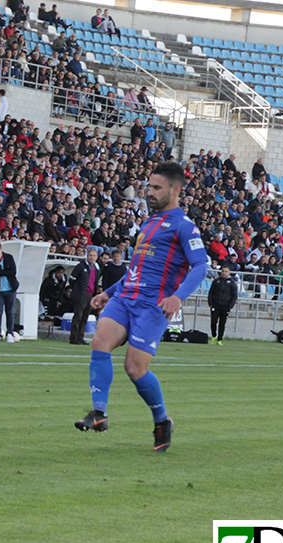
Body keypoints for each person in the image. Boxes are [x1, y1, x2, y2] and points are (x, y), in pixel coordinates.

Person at [74, 162, 209, 452]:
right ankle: (99, 413)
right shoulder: (148, 223)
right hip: (126, 299)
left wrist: (178, 297)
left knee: (134, 368)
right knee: (100, 340)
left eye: (156, 188)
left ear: (175, 190)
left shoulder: (185, 227)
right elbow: (136, 267)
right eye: (148, 186)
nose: (149, 192)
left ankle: (162, 421)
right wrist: (108, 293)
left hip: (153, 306)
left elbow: (200, 266)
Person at [68, 248, 99, 345]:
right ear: (87, 256)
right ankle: (73, 338)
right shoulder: (81, 266)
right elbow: (72, 279)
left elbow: (95, 282)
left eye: (94, 255)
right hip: (81, 294)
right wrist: (77, 290)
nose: (92, 257)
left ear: (97, 257)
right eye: (90, 255)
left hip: (90, 295)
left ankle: (80, 337)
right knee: (78, 316)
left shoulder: (97, 268)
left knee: (85, 317)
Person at [0, 241, 18, 342]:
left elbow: (13, 272)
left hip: (10, 289)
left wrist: (0, 272)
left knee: (9, 312)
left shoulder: (8, 257)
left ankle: (10, 333)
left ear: (1, 249)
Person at [207, 265, 237, 346]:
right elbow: (211, 293)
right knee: (213, 321)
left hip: (225, 306)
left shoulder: (231, 283)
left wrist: (230, 306)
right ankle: (214, 335)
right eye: (223, 271)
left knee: (222, 323)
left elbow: (234, 296)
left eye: (226, 271)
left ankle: (219, 339)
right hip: (215, 305)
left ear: (229, 273)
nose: (224, 273)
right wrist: (210, 304)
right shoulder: (216, 281)